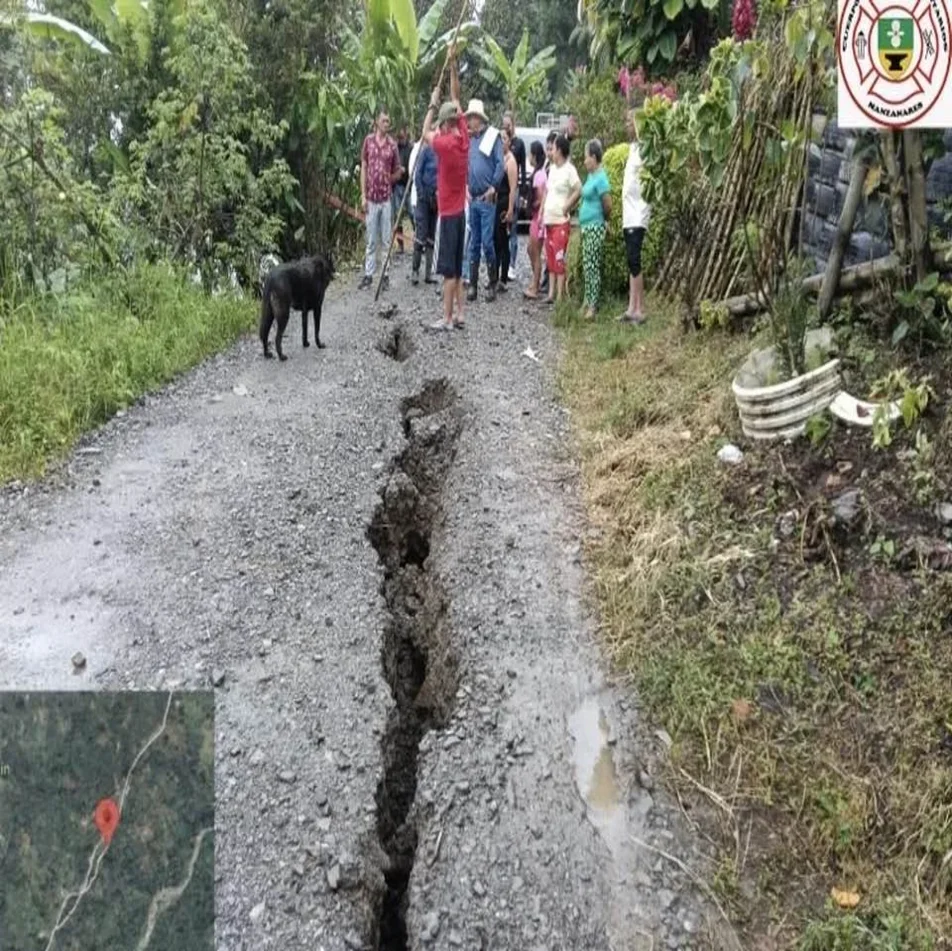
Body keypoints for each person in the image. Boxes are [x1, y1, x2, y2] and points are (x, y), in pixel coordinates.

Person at [422, 52, 469, 330]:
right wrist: (452, 68)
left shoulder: (444, 144)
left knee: (448, 271)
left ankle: (448, 318)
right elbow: (457, 100)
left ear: (444, 123)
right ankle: (461, 313)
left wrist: (431, 103)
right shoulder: (462, 137)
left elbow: (424, 131)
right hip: (459, 211)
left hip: (450, 214)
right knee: (458, 267)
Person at [464, 98, 504, 302]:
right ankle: (473, 285)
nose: (469, 121)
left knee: (487, 242)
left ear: (478, 118)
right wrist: (465, 188)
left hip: (487, 198)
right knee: (474, 243)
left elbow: (500, 164)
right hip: (474, 197)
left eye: (471, 117)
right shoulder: (471, 141)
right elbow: (466, 166)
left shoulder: (492, 137)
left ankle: (492, 283)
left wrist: (493, 186)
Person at [359, 110, 403, 290]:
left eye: (388, 121)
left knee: (385, 239)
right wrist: (362, 194)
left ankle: (384, 274)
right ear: (377, 122)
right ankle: (368, 274)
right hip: (371, 197)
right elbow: (364, 165)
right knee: (370, 239)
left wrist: (390, 178)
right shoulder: (368, 141)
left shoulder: (392, 145)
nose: (387, 123)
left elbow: (399, 170)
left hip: (386, 198)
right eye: (384, 120)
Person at [542, 133, 581, 304]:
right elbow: (548, 191)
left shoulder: (569, 170)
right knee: (549, 258)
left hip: (560, 221)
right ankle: (550, 293)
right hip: (549, 220)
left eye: (554, 148)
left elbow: (578, 189)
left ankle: (559, 295)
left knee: (559, 258)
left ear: (560, 150)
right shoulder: (552, 169)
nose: (552, 151)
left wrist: (567, 206)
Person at [621, 109, 650, 323]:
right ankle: (631, 307)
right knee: (631, 261)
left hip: (638, 211)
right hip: (628, 211)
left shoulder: (646, 149)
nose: (627, 125)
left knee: (635, 258)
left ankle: (640, 308)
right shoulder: (632, 148)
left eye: (630, 121)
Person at [578, 138, 612, 319]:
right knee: (587, 265)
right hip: (586, 227)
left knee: (593, 266)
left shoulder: (601, 178)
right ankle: (586, 300)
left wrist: (605, 221)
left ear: (593, 157)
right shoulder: (591, 176)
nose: (584, 161)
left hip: (595, 226)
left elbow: (608, 203)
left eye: (586, 157)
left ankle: (593, 305)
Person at [493, 127, 518, 293]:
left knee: (503, 241)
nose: (502, 141)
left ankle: (503, 278)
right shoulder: (498, 158)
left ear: (509, 141)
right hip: (496, 201)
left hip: (505, 202)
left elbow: (513, 187)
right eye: (499, 138)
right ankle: (494, 276)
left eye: (504, 138)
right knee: (495, 239)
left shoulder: (510, 161)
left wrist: (510, 210)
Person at [411, 136, 439, 285]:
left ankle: (428, 273)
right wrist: (422, 194)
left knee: (431, 236)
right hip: (424, 198)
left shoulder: (442, 153)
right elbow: (417, 175)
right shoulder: (426, 152)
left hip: (436, 199)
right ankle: (415, 270)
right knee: (421, 233)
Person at [502, 112, 526, 280]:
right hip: (502, 191)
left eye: (508, 124)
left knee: (514, 230)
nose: (506, 127)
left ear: (513, 124)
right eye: (504, 125)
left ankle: (512, 265)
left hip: (514, 189)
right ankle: (503, 262)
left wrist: (523, 193)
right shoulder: (501, 143)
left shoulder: (519, 144)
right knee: (502, 229)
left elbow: (523, 170)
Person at [523, 140, 547, 300]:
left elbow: (540, 197)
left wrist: (530, 204)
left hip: (538, 217)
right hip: (535, 217)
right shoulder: (539, 173)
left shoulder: (539, 175)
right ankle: (535, 281)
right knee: (530, 249)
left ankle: (536, 285)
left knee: (535, 251)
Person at [393, 126, 413, 254]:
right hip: (397, 186)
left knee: (412, 214)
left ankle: (419, 243)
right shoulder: (394, 148)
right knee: (397, 215)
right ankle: (401, 246)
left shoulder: (411, 148)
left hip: (409, 185)